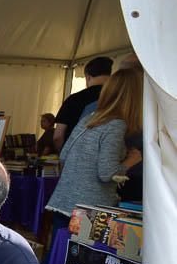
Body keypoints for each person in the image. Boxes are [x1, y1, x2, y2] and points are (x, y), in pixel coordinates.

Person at [46, 68, 143, 246]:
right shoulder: (116, 125)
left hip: (64, 201)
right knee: (78, 263)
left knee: (57, 258)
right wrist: (131, 160)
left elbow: (64, 155)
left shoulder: (90, 117)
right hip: (90, 210)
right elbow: (107, 173)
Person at [53, 56, 113, 152]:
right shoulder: (118, 98)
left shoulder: (73, 99)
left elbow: (58, 136)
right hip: (109, 154)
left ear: (88, 77)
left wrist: (63, 156)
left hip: (75, 156)